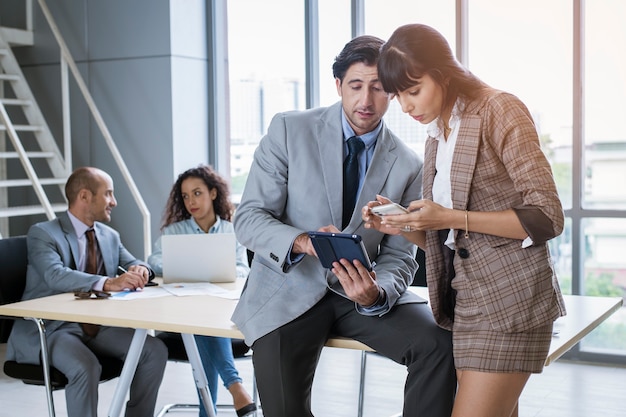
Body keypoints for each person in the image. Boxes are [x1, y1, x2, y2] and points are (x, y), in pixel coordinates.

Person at [231, 35, 456, 417]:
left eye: (379, 88)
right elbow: (249, 218)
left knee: (439, 345)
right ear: (338, 86)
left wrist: (377, 293)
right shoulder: (288, 129)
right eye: (355, 86)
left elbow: (401, 254)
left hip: (360, 295)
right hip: (288, 291)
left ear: (393, 92)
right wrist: (304, 242)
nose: (366, 101)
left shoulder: (407, 163)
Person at [362, 23, 566, 417]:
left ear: (441, 73)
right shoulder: (438, 134)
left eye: (413, 90)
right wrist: (405, 227)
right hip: (467, 305)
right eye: (399, 96)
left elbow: (546, 216)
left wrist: (450, 215)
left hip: (511, 303)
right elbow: (452, 239)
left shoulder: (498, 109)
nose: (406, 106)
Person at [6, 166, 168, 417]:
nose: (114, 202)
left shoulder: (109, 236)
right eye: (108, 194)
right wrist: (108, 282)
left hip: (95, 326)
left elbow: (136, 261)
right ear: (84, 196)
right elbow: (54, 274)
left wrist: (140, 268)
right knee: (86, 366)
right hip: (52, 327)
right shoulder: (43, 233)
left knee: (154, 350)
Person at [147, 164, 256, 417]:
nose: (191, 201)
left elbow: (243, 269)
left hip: (222, 317)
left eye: (197, 193)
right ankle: (235, 385)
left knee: (202, 328)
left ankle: (207, 412)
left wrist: (217, 270)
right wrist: (187, 267)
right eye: (185, 196)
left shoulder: (233, 231)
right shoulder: (174, 232)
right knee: (199, 325)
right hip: (181, 317)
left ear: (213, 194)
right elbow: (154, 260)